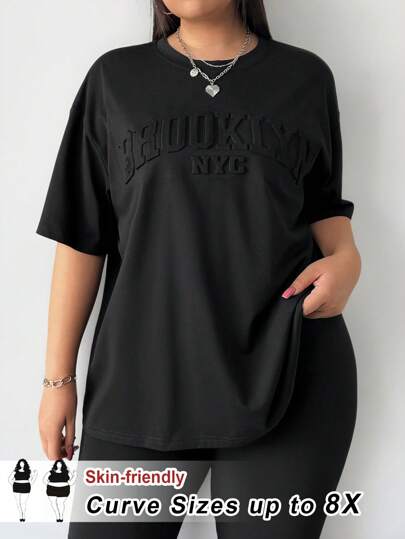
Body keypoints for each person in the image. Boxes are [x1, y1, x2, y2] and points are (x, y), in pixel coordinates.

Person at [36, 1, 361, 537]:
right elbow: (81, 237)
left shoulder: (305, 77)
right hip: (142, 382)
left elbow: (323, 205)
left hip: (288, 366)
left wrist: (348, 259)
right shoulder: (114, 79)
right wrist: (57, 381)